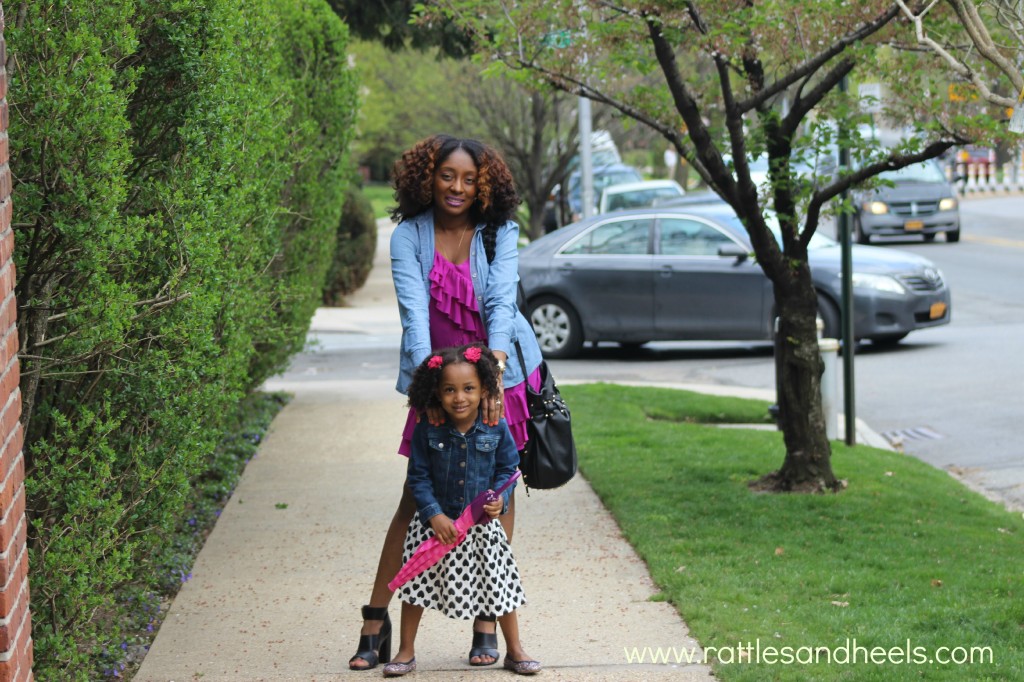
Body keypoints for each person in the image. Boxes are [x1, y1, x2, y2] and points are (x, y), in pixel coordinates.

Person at [348, 135, 544, 671]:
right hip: (438, 378)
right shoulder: (408, 236)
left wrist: (495, 380)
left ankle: (488, 620)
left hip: (497, 376)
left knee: (494, 498)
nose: (457, 187)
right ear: (426, 178)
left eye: (468, 178)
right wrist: (429, 391)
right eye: (446, 176)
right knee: (416, 499)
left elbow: (502, 302)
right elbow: (414, 317)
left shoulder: (498, 232)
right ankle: (375, 618)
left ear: (484, 184)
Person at [381, 343, 540, 677]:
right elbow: (418, 478)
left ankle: (515, 650)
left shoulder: (495, 428)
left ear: (484, 389)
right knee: (416, 588)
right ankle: (406, 651)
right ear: (437, 393)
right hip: (434, 527)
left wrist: (500, 499)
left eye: (469, 388)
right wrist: (433, 515)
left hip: (481, 528)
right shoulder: (429, 429)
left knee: (499, 588)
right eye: (449, 390)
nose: (459, 397)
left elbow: (508, 468)